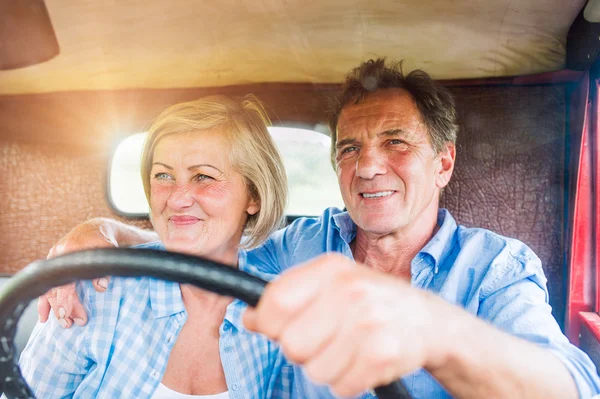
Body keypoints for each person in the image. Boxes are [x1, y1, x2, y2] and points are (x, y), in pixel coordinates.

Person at [40, 59, 600, 399]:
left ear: (444, 162)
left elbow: (569, 387)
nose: (369, 166)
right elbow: (209, 242)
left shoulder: (496, 267)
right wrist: (104, 235)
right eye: (350, 149)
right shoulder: (299, 249)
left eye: (396, 143)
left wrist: (434, 329)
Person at [20, 95, 292, 398]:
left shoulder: (280, 313)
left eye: (203, 176)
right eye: (163, 175)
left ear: (253, 195)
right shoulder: (95, 289)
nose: (176, 199)